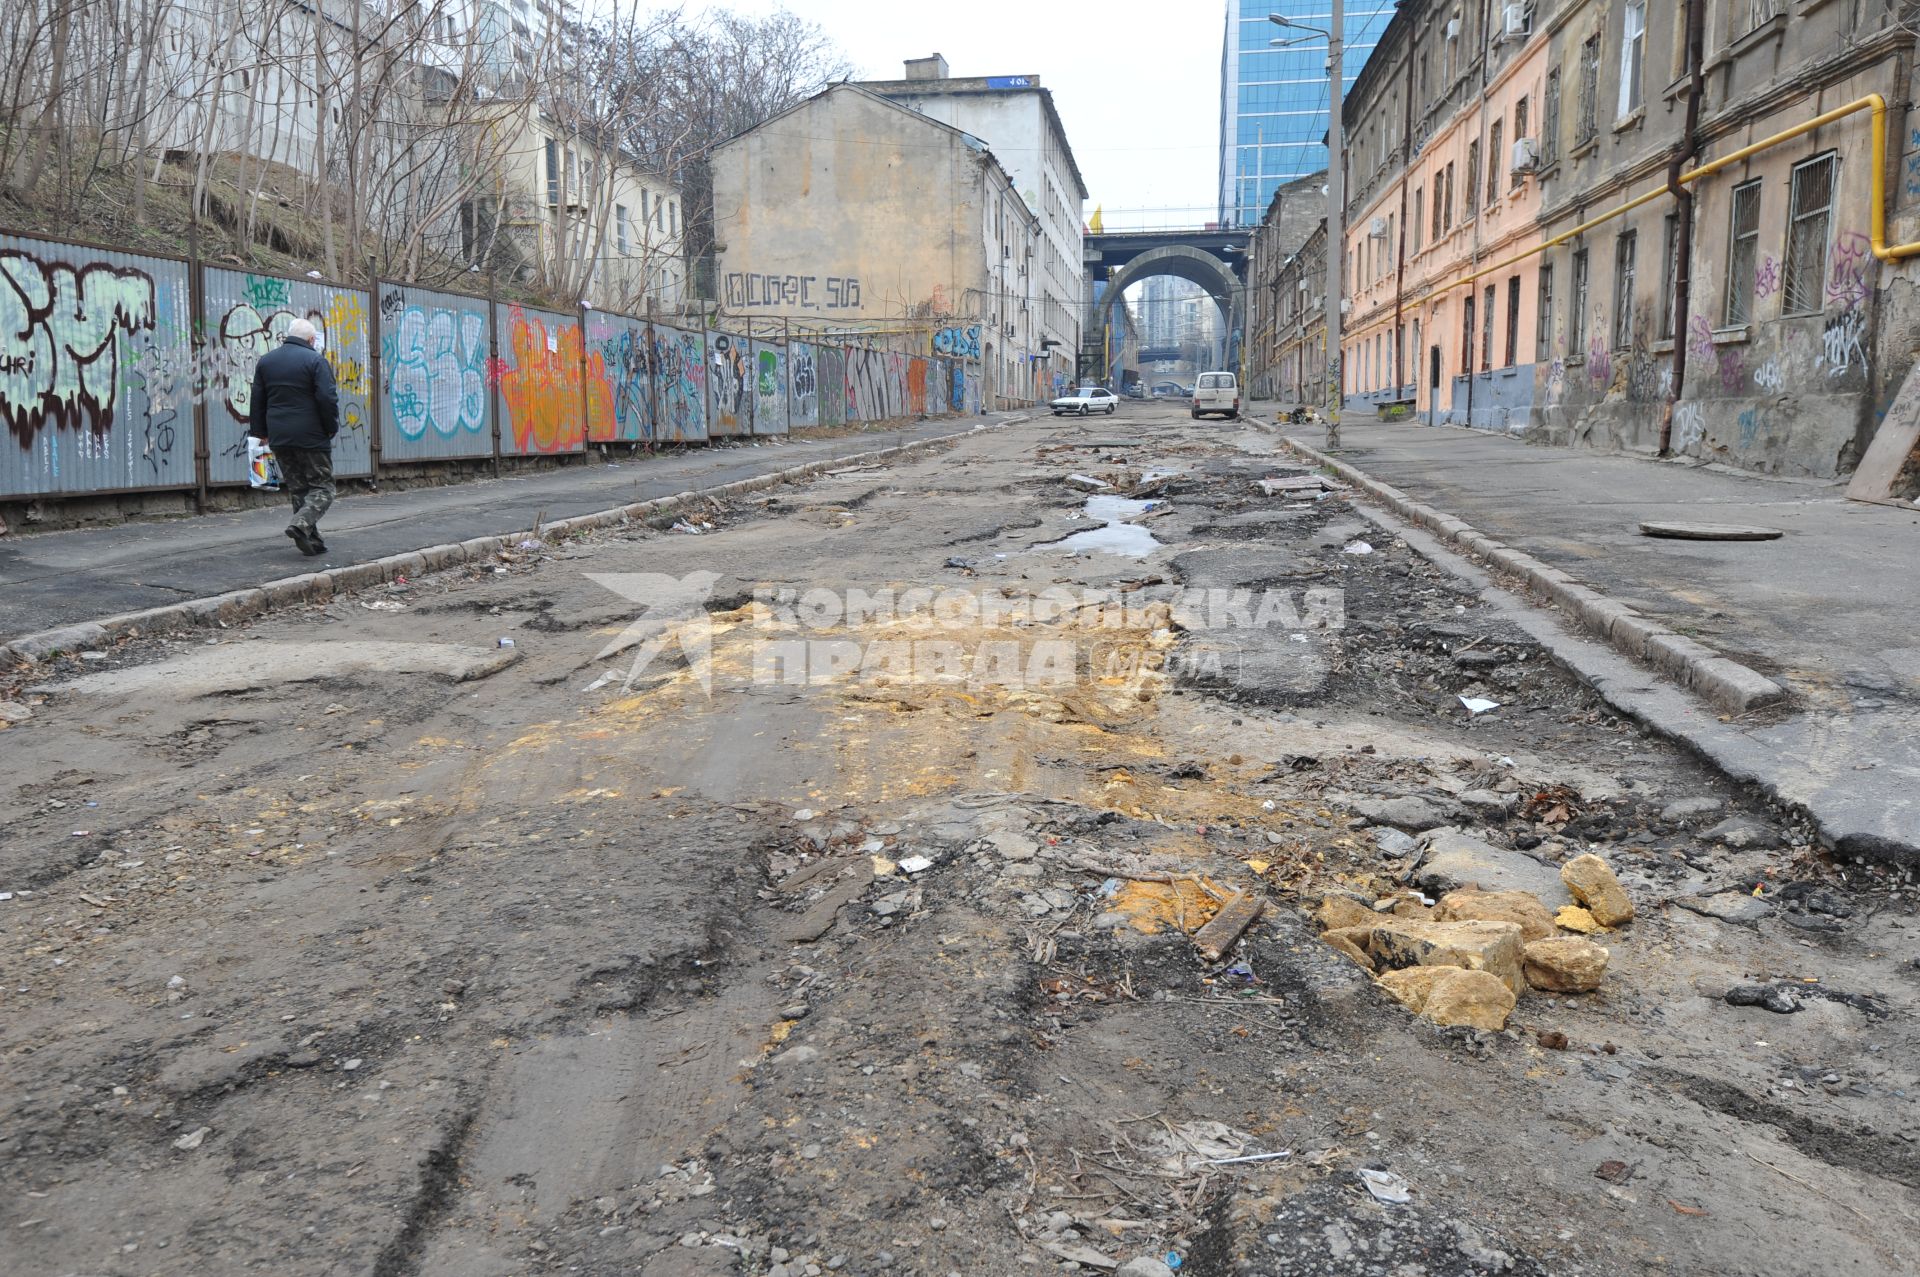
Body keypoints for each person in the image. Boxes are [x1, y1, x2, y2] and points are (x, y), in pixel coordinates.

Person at [246, 316, 339, 556]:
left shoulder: (266, 361)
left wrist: (260, 433)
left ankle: (312, 541)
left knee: (299, 489)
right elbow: (327, 398)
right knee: (323, 488)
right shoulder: (316, 360)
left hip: (279, 436)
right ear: (311, 339)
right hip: (311, 435)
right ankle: (301, 524)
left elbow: (258, 400)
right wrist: (331, 427)